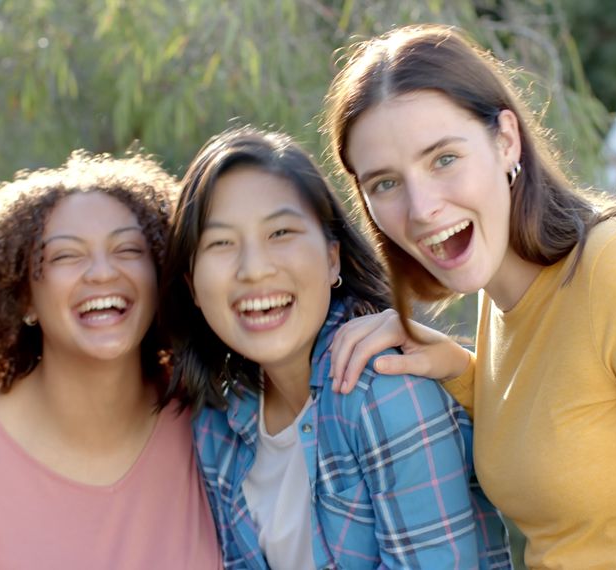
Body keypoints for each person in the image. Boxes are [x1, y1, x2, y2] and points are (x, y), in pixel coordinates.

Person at [322, 24, 616, 569]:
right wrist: (454, 367)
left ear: (506, 140)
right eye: (385, 183)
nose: (420, 206)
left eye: (443, 159)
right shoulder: (503, 299)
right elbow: (574, 431)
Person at [160, 127, 512, 569]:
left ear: (332, 257)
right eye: (221, 243)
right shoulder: (216, 425)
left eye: (281, 232)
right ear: (192, 285)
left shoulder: (384, 389)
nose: (253, 269)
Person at [0, 151, 222, 569]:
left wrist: (329, 338)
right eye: (65, 256)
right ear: (24, 298)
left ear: (161, 276)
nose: (101, 272)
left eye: (128, 249)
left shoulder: (211, 416)